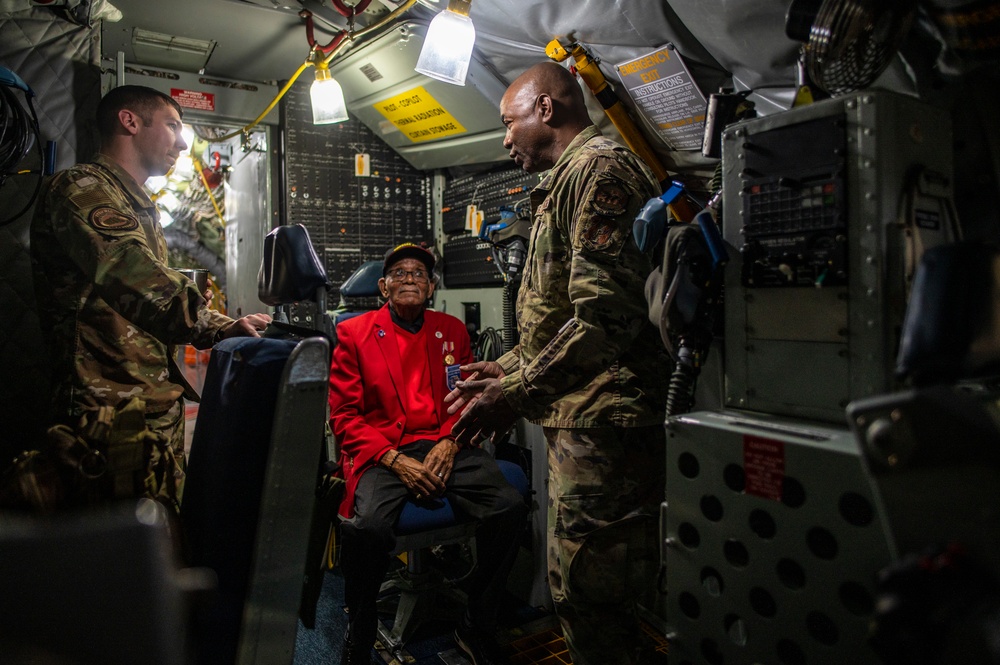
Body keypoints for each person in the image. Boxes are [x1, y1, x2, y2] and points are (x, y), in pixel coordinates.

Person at [445, 62, 670, 665]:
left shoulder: (601, 173)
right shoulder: (565, 184)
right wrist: (510, 366)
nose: (504, 139)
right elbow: (555, 315)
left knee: (598, 597)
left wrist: (516, 392)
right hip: (583, 421)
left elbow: (605, 320)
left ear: (545, 109)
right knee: (579, 586)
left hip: (608, 428)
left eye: (507, 123)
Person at [29, 85, 271, 512]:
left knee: (161, 541)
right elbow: (130, 271)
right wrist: (211, 323)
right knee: (125, 559)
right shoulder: (81, 187)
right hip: (104, 414)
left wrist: (219, 326)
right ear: (130, 121)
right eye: (173, 126)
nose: (181, 142)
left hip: (143, 406)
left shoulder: (135, 204)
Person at [328, 242, 528, 665]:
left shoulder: (451, 330)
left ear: (432, 286)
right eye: (399, 273)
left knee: (508, 507)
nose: (409, 279)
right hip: (383, 449)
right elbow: (344, 416)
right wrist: (393, 459)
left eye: (419, 273)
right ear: (383, 287)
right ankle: (360, 629)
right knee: (366, 529)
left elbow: (464, 399)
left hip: (444, 441)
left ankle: (476, 623)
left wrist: (450, 442)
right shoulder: (353, 333)